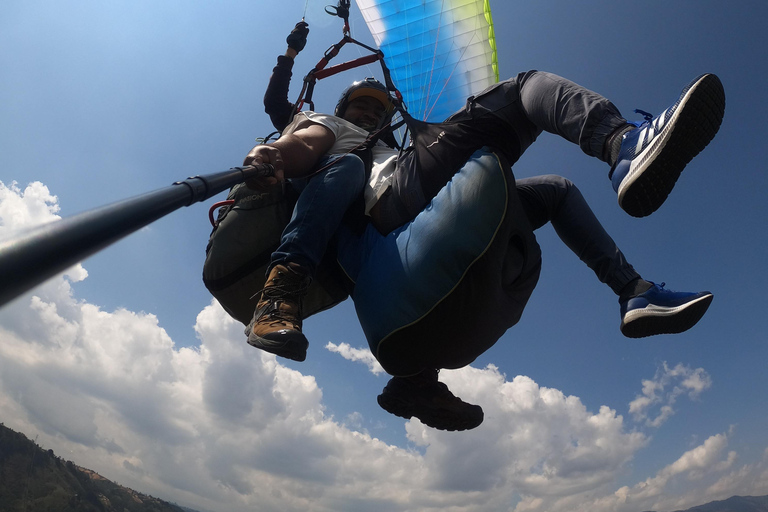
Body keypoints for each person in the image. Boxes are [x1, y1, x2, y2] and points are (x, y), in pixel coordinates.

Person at [241, 24, 723, 429]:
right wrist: (278, 131)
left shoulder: (387, 144)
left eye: (377, 111)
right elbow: (296, 131)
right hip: (390, 200)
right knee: (524, 89)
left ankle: (632, 292)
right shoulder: (330, 128)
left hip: (394, 214)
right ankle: (622, 143)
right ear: (343, 110)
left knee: (556, 190)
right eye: (360, 109)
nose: (368, 115)